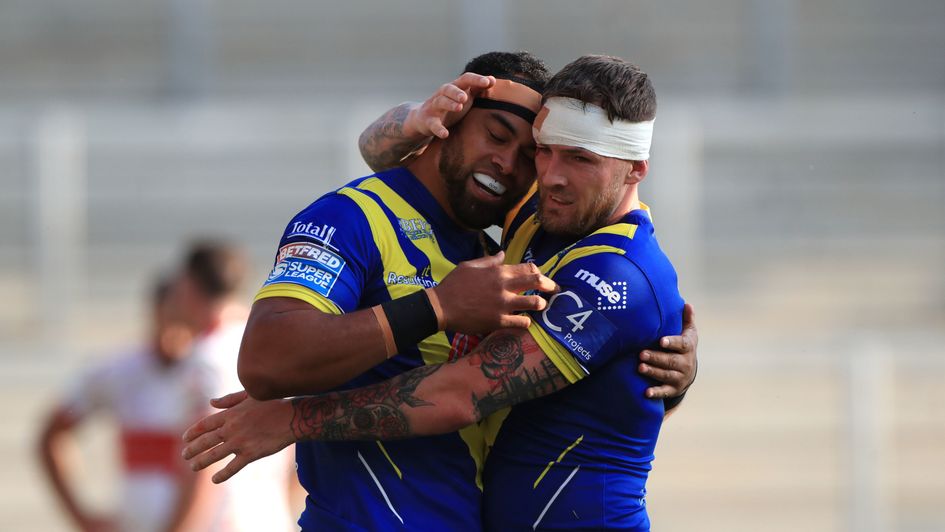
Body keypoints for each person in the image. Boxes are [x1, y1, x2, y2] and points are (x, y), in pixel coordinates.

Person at [184, 54, 695, 530]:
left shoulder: (592, 260)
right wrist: (412, 120)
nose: (532, 172)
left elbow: (463, 394)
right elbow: (266, 361)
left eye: (573, 158)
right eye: (540, 151)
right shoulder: (369, 218)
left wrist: (670, 362)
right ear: (448, 124)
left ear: (635, 168)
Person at [37, 275, 212, 532]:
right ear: (155, 313)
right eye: (170, 316)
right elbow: (52, 434)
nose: (175, 331)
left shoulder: (214, 370)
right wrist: (83, 518)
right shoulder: (119, 370)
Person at [168, 241, 299, 532]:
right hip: (272, 519)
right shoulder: (266, 345)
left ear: (188, 285)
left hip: (223, 522)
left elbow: (205, 458)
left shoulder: (206, 357)